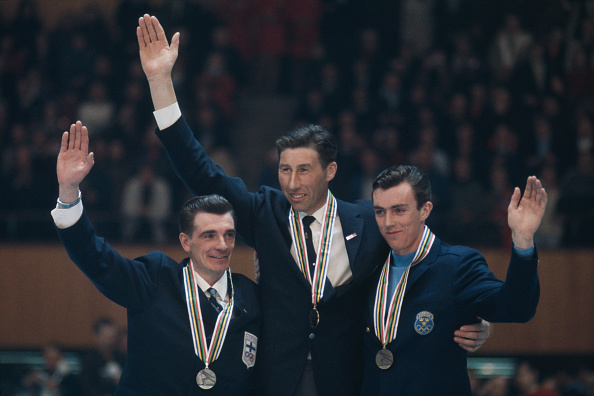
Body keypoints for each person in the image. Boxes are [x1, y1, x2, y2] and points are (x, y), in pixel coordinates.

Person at [136, 15, 489, 395]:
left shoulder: (370, 221)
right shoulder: (264, 213)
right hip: (278, 378)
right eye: (285, 169)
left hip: (346, 379)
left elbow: (427, 265)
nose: (291, 182)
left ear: (330, 170)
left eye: (304, 170)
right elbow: (200, 172)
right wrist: (160, 82)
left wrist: (477, 320)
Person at [52, 121, 260, 395]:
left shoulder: (252, 298)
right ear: (185, 241)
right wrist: (68, 192)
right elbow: (94, 258)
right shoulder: (155, 279)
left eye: (229, 235)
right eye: (209, 235)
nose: (222, 245)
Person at [362, 164, 546, 395]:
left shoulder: (458, 265)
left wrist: (522, 240)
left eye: (399, 210)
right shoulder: (367, 265)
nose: (388, 222)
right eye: (380, 211)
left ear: (425, 210)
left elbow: (517, 309)